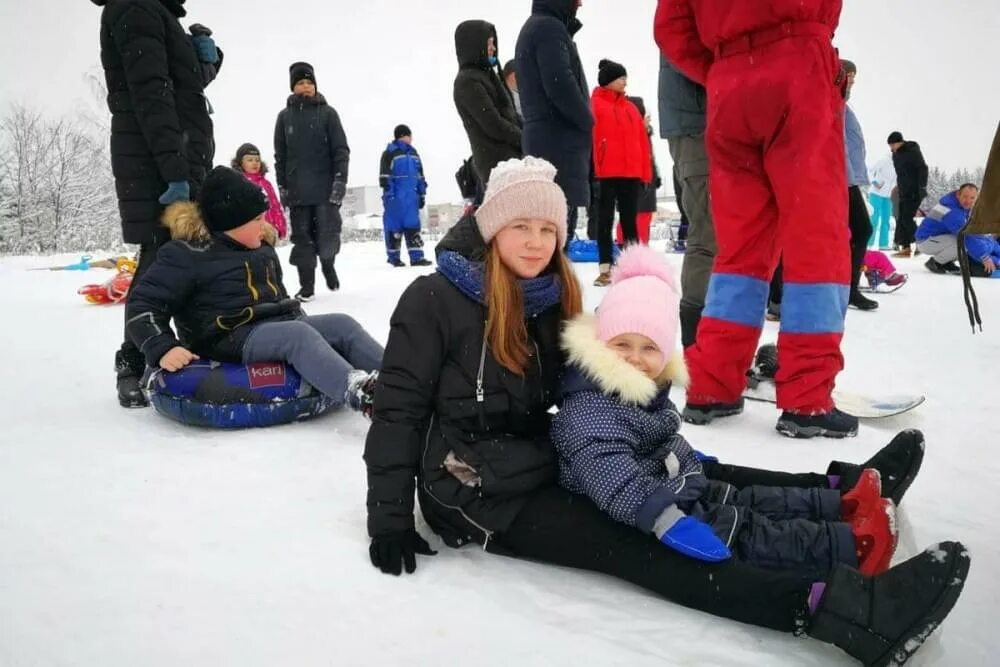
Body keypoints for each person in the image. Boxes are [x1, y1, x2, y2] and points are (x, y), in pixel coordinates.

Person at [363, 157, 968, 667]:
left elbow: (588, 380)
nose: (535, 241)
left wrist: (641, 413)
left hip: (542, 455)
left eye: (547, 228)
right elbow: (399, 412)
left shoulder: (551, 298)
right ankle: (843, 612)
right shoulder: (436, 299)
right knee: (642, 537)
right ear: (492, 229)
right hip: (471, 488)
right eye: (519, 226)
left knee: (687, 465)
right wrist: (390, 518)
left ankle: (843, 492)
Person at [552, 245, 895, 578]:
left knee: (743, 498)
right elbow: (611, 476)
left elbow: (647, 434)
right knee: (741, 529)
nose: (636, 357)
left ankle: (838, 509)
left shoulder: (636, 385)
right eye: (622, 344)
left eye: (649, 347)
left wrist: (677, 452)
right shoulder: (588, 408)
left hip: (667, 481)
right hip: (642, 505)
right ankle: (847, 548)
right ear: (601, 343)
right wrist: (662, 519)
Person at [656, 0, 856, 438]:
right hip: (798, 64)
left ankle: (713, 384)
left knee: (740, 250)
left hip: (729, 85)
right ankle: (807, 396)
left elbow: (671, 27)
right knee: (816, 241)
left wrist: (724, 67)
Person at [125, 167, 381, 417]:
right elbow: (143, 304)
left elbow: (277, 298)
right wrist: (162, 347)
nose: (264, 225)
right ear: (230, 223)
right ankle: (363, 393)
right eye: (257, 219)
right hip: (226, 337)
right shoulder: (188, 254)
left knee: (342, 325)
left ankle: (402, 377)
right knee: (297, 334)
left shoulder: (261, 249)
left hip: (276, 326)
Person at [94, 0, 222, 408]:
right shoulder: (136, 7)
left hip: (178, 157)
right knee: (158, 260)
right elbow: (152, 95)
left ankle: (177, 348)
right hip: (155, 163)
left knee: (185, 256)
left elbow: (185, 88)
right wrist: (175, 172)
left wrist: (208, 58)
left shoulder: (159, 13)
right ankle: (132, 362)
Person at [516, 0, 592, 245]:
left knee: (552, 232)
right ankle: (551, 284)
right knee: (554, 235)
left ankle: (552, 283)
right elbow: (560, 84)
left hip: (550, 140)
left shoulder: (541, 26)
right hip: (557, 142)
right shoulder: (549, 28)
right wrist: (587, 119)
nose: (580, 3)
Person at [274, 62, 350, 301]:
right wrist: (283, 187)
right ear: (292, 87)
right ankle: (307, 285)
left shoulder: (328, 113)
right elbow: (280, 156)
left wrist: (340, 181)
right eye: (300, 83)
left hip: (325, 190)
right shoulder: (284, 117)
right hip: (298, 191)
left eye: (309, 82)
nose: (305, 87)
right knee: (302, 240)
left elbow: (341, 150)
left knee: (327, 237)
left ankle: (328, 264)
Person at [657, 53, 713, 347]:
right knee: (708, 236)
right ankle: (698, 343)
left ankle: (710, 339)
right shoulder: (688, 11)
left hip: (706, 122)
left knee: (718, 237)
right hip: (697, 125)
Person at [590, 59, 652, 286]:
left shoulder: (631, 108)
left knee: (630, 221)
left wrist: (645, 173)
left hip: (631, 172)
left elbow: (643, 143)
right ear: (608, 80)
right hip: (606, 173)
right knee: (604, 220)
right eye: (621, 77)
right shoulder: (594, 105)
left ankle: (633, 266)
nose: (625, 81)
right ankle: (605, 268)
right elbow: (590, 140)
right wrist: (592, 169)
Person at [453, 21, 522, 189]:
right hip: (497, 166)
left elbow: (510, 114)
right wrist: (524, 138)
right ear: (474, 45)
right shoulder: (467, 82)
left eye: (493, 43)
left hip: (511, 162)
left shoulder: (488, 75)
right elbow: (494, 125)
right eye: (489, 43)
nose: (493, 48)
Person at [842, 60, 878, 311]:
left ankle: (846, 288)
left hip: (848, 178)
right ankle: (847, 289)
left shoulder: (843, 104)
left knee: (857, 231)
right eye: (849, 76)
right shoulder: (831, 102)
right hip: (839, 178)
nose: (853, 81)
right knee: (861, 229)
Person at [379, 125, 431, 268]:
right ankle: (394, 258)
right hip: (395, 198)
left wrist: (421, 194)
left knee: (413, 226)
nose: (411, 139)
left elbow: (420, 176)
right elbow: (384, 177)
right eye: (410, 135)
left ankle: (417, 258)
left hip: (411, 198)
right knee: (394, 227)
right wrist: (390, 195)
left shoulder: (414, 154)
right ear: (404, 136)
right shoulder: (389, 153)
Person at [917, 184, 979, 274]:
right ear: (958, 194)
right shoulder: (951, 210)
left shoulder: (958, 204)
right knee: (963, 244)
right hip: (925, 240)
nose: (968, 201)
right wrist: (985, 254)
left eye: (972, 198)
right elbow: (965, 234)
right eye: (965, 196)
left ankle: (945, 262)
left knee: (963, 242)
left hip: (937, 238)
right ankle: (935, 262)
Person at [231, 143, 287, 240]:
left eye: (257, 160)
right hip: (247, 234)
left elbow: (275, 206)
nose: (255, 163)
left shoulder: (266, 184)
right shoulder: (237, 183)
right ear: (240, 163)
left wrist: (281, 227)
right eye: (250, 160)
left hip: (268, 232)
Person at [887, 131, 929, 258]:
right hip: (903, 190)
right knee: (901, 218)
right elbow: (901, 174)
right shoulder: (895, 155)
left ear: (900, 142)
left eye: (893, 145)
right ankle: (905, 247)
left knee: (906, 218)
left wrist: (922, 186)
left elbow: (923, 168)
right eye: (890, 145)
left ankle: (920, 243)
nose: (891, 148)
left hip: (915, 190)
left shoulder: (912, 151)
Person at [868, 153, 897, 249]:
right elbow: (869, 171)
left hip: (888, 196)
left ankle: (883, 245)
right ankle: (869, 243)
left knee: (886, 220)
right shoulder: (883, 160)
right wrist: (875, 182)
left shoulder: (899, 163)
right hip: (876, 193)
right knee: (874, 219)